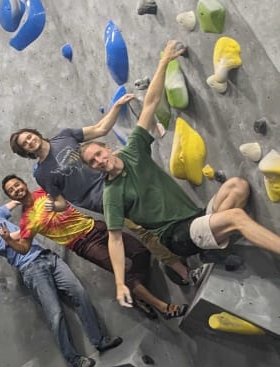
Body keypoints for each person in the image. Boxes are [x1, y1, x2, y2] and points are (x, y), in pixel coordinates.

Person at [80, 40, 280, 306]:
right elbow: (115, 240)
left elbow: (150, 104)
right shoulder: (112, 194)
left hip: (195, 218)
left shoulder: (133, 151)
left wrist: (164, 62)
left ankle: (209, 250)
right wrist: (119, 283)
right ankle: (212, 246)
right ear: (94, 169)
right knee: (235, 217)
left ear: (107, 149)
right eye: (93, 163)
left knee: (237, 186)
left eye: (98, 154)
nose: (99, 161)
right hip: (176, 236)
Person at [8, 92, 193, 287]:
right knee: (143, 228)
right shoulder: (42, 174)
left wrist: (117, 106)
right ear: (26, 152)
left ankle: (187, 238)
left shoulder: (64, 136)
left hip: (114, 175)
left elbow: (100, 128)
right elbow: (62, 203)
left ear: (34, 133)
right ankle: (182, 270)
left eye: (28, 137)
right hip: (101, 197)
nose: (29, 141)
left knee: (156, 201)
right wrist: (54, 207)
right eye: (25, 144)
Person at [0, 174, 185, 318]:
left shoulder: (46, 191)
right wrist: (9, 240)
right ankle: (163, 307)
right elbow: (24, 248)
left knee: (141, 251)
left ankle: (137, 293)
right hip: (84, 244)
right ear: (11, 197)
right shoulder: (26, 221)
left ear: (23, 183)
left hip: (96, 227)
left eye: (16, 185)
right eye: (11, 190)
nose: (16, 190)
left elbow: (67, 194)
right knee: (122, 272)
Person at [0, 205, 120, 367]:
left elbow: (13, 202)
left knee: (80, 294)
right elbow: (19, 235)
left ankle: (100, 341)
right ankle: (75, 360)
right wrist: (36, 220)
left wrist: (30, 198)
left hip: (50, 258)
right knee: (55, 314)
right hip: (32, 269)